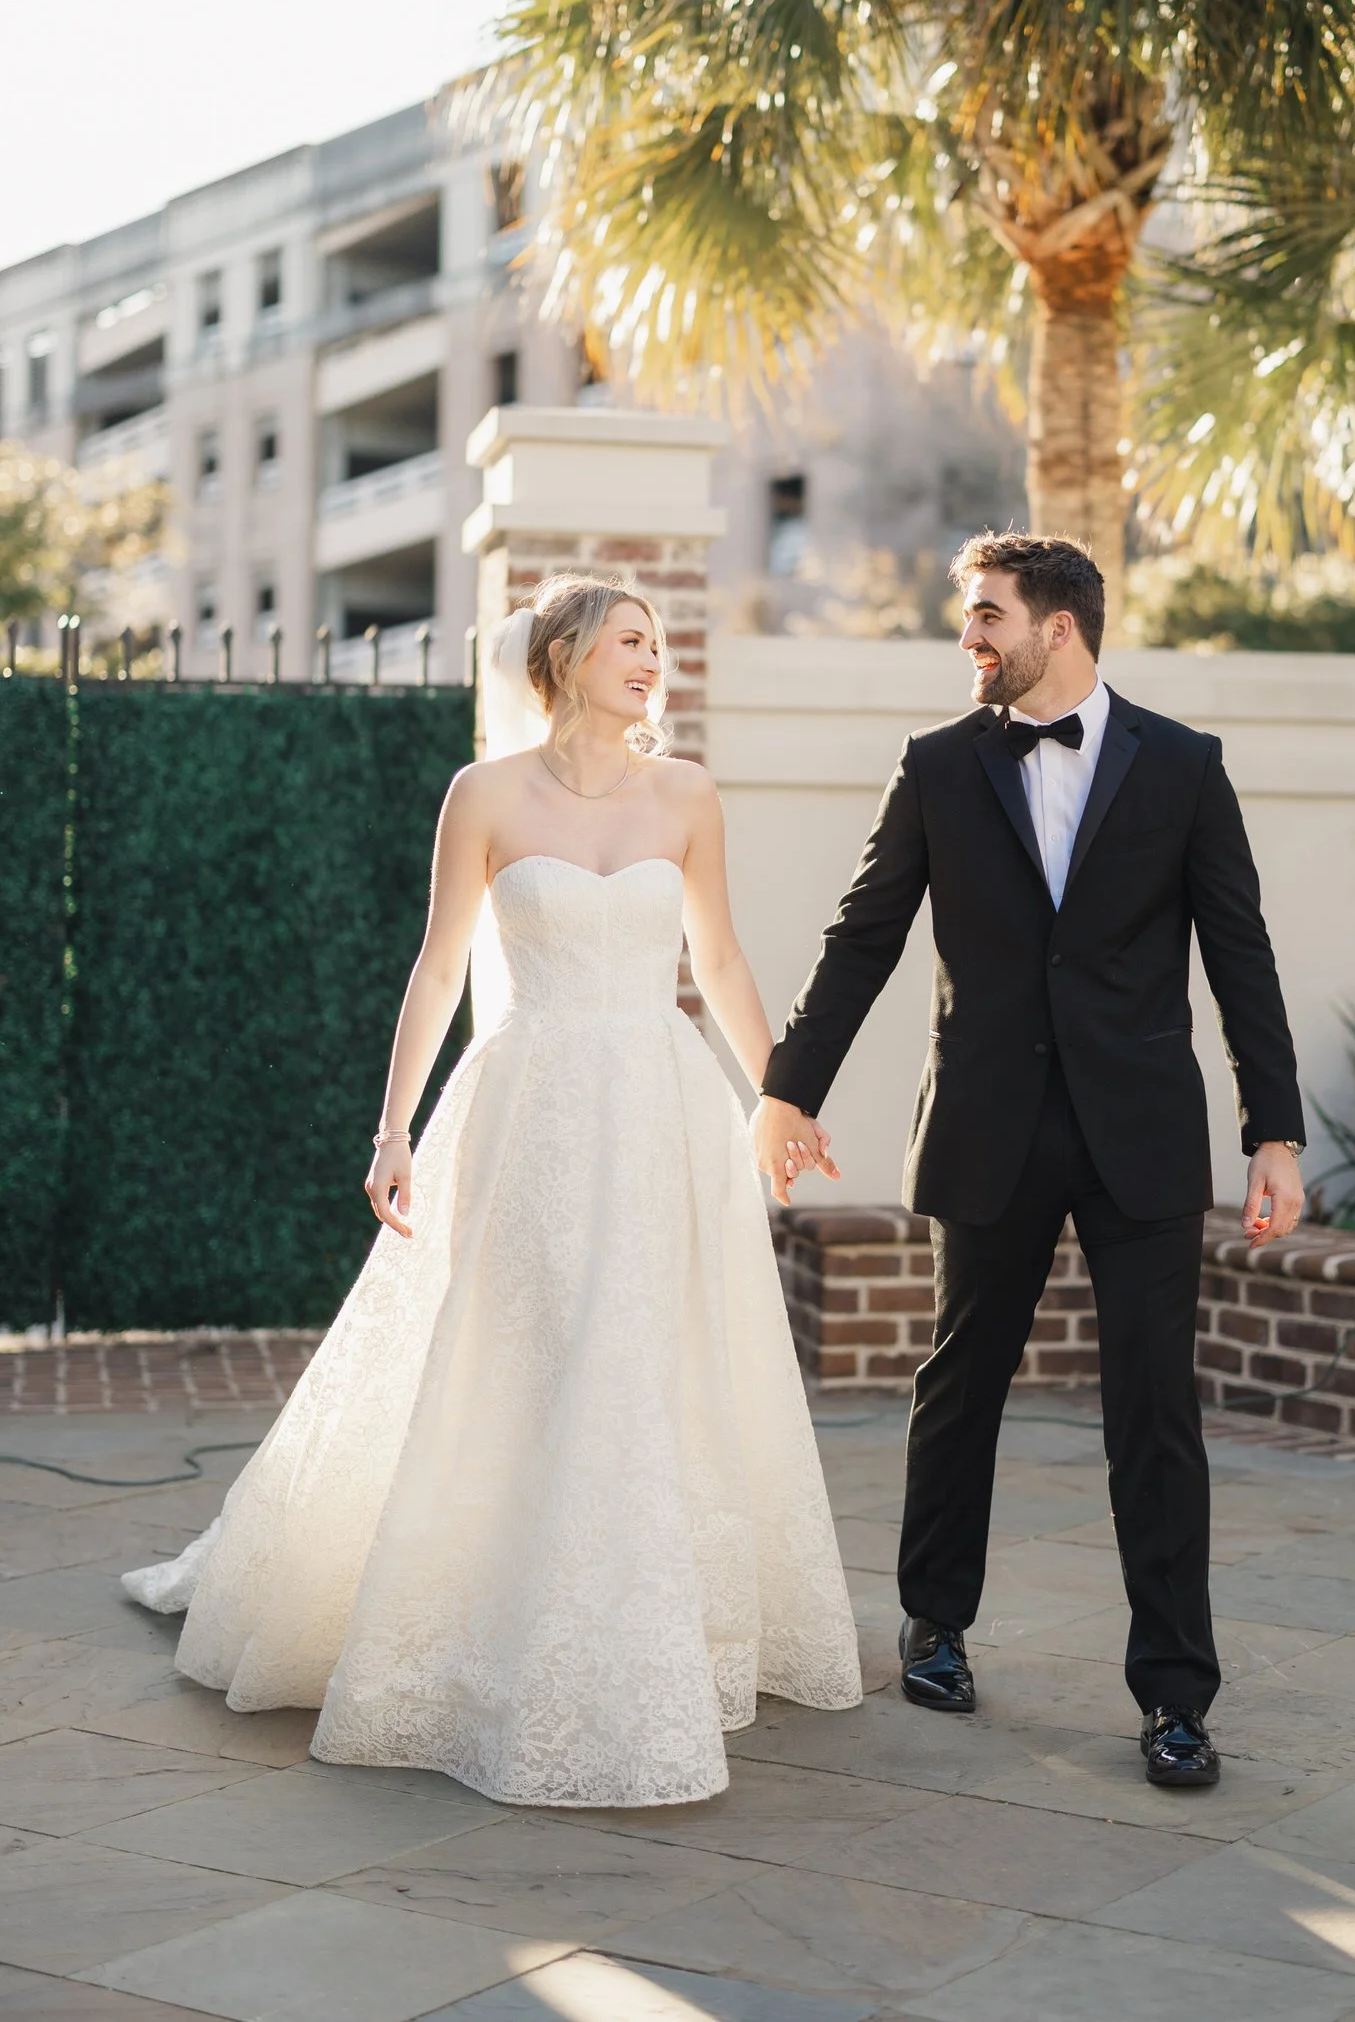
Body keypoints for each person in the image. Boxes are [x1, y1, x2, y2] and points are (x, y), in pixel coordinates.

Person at [125, 573, 862, 1807]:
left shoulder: (687, 792)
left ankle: (638, 1627)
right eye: (628, 641)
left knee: (639, 1356)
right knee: (532, 1355)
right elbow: (436, 968)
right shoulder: (482, 793)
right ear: (563, 656)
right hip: (529, 1113)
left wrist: (779, 1097)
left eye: (657, 644)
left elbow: (723, 958)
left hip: (661, 1110)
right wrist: (393, 1128)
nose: (651, 660)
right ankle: (499, 1617)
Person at [752, 531, 1306, 1789]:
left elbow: (1240, 953)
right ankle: (933, 1622)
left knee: (1154, 1411)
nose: (968, 637)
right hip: (988, 1119)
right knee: (961, 1379)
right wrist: (788, 1089)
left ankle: (1175, 1696)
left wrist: (1270, 1131)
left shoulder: (1184, 766)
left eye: (986, 615)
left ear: (1058, 627)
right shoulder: (937, 767)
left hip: (1138, 1134)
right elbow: (861, 936)